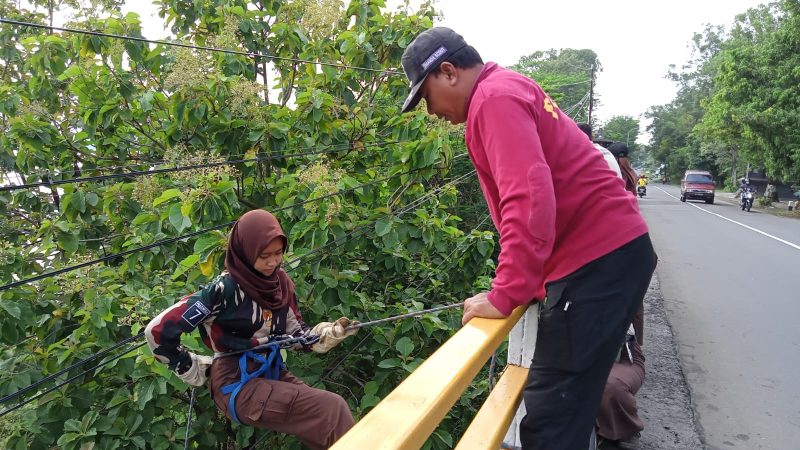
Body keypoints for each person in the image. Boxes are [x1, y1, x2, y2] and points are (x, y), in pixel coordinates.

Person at [400, 27, 657, 450]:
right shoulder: (507, 88)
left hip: (596, 263)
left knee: (552, 419)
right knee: (565, 411)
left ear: (447, 72)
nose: (430, 112)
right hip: (610, 257)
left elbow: (529, 200)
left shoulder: (493, 99)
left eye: (425, 97)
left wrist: (507, 293)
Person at [145, 209, 358, 450]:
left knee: (324, 429)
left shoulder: (280, 284)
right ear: (245, 252)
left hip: (270, 372)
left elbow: (297, 335)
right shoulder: (222, 291)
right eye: (264, 255)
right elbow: (156, 330)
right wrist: (192, 367)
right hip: (236, 383)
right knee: (331, 409)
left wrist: (326, 333)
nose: (272, 262)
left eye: (278, 253)